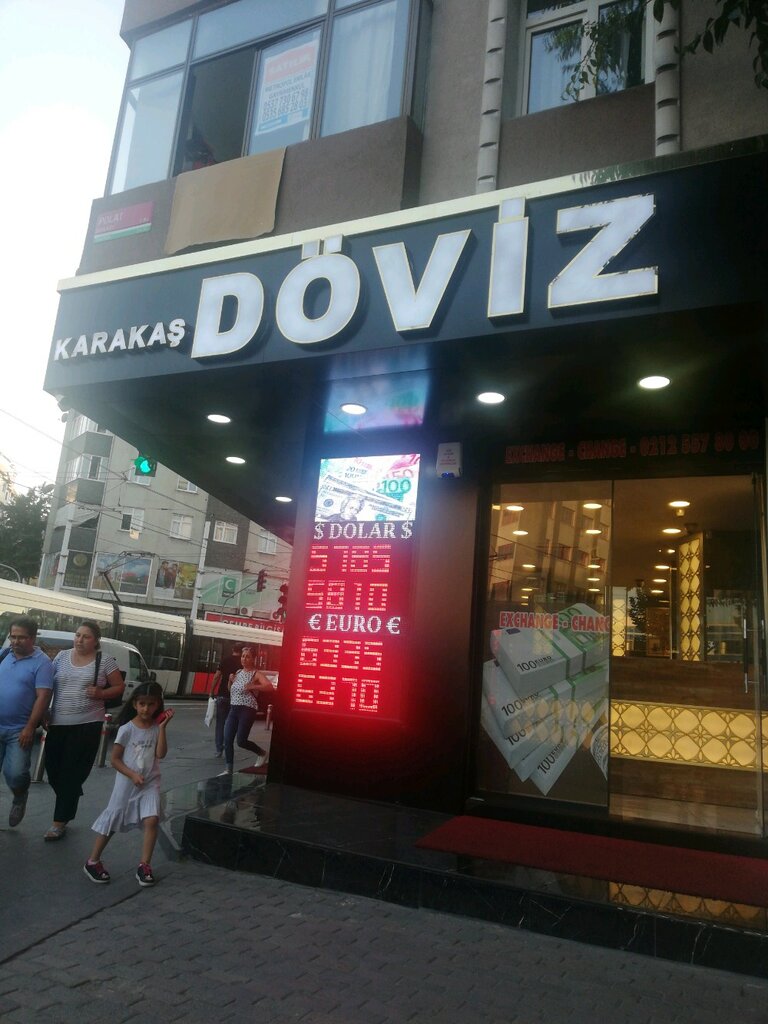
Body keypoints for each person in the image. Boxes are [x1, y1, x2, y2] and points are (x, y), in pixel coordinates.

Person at [83, 682, 174, 887]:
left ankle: (144, 865)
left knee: (152, 820)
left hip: (150, 782)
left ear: (158, 705)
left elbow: (160, 754)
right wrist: (132, 775)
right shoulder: (127, 729)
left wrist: (162, 728)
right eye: (142, 704)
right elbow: (115, 759)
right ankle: (92, 861)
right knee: (114, 818)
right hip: (127, 783)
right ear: (134, 704)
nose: (146, 709)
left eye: (151, 704)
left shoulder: (156, 728)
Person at [43, 620, 125, 841]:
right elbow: (50, 686)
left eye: (86, 636)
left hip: (87, 724)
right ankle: (72, 792)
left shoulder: (104, 660)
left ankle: (59, 822)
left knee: (70, 772)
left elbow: (119, 687)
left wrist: (101, 693)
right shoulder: (61, 657)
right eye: (77, 635)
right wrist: (45, 710)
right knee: (53, 770)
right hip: (58, 722)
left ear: (96, 641)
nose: (79, 640)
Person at [0, 617, 54, 827]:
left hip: (19, 730)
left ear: (32, 638)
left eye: (21, 637)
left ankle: (20, 796)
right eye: (13, 636)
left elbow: (43, 696)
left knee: (15, 774)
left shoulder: (42, 663)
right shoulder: (4, 655)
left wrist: (30, 727)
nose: (15, 641)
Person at [222, 646, 275, 774]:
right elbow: (231, 690)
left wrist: (253, 686)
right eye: (243, 656)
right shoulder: (238, 672)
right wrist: (230, 681)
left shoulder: (256, 674)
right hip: (233, 708)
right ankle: (228, 769)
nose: (244, 659)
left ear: (253, 659)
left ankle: (262, 753)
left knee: (241, 741)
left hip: (247, 709)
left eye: (248, 657)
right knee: (227, 739)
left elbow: (269, 686)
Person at [210, 644, 242, 758]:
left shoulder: (225, 660)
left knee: (220, 723)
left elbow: (217, 676)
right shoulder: (242, 662)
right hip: (236, 698)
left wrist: (212, 691)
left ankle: (219, 749)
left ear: (233, 649)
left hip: (222, 695)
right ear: (241, 651)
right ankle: (228, 747)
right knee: (231, 724)